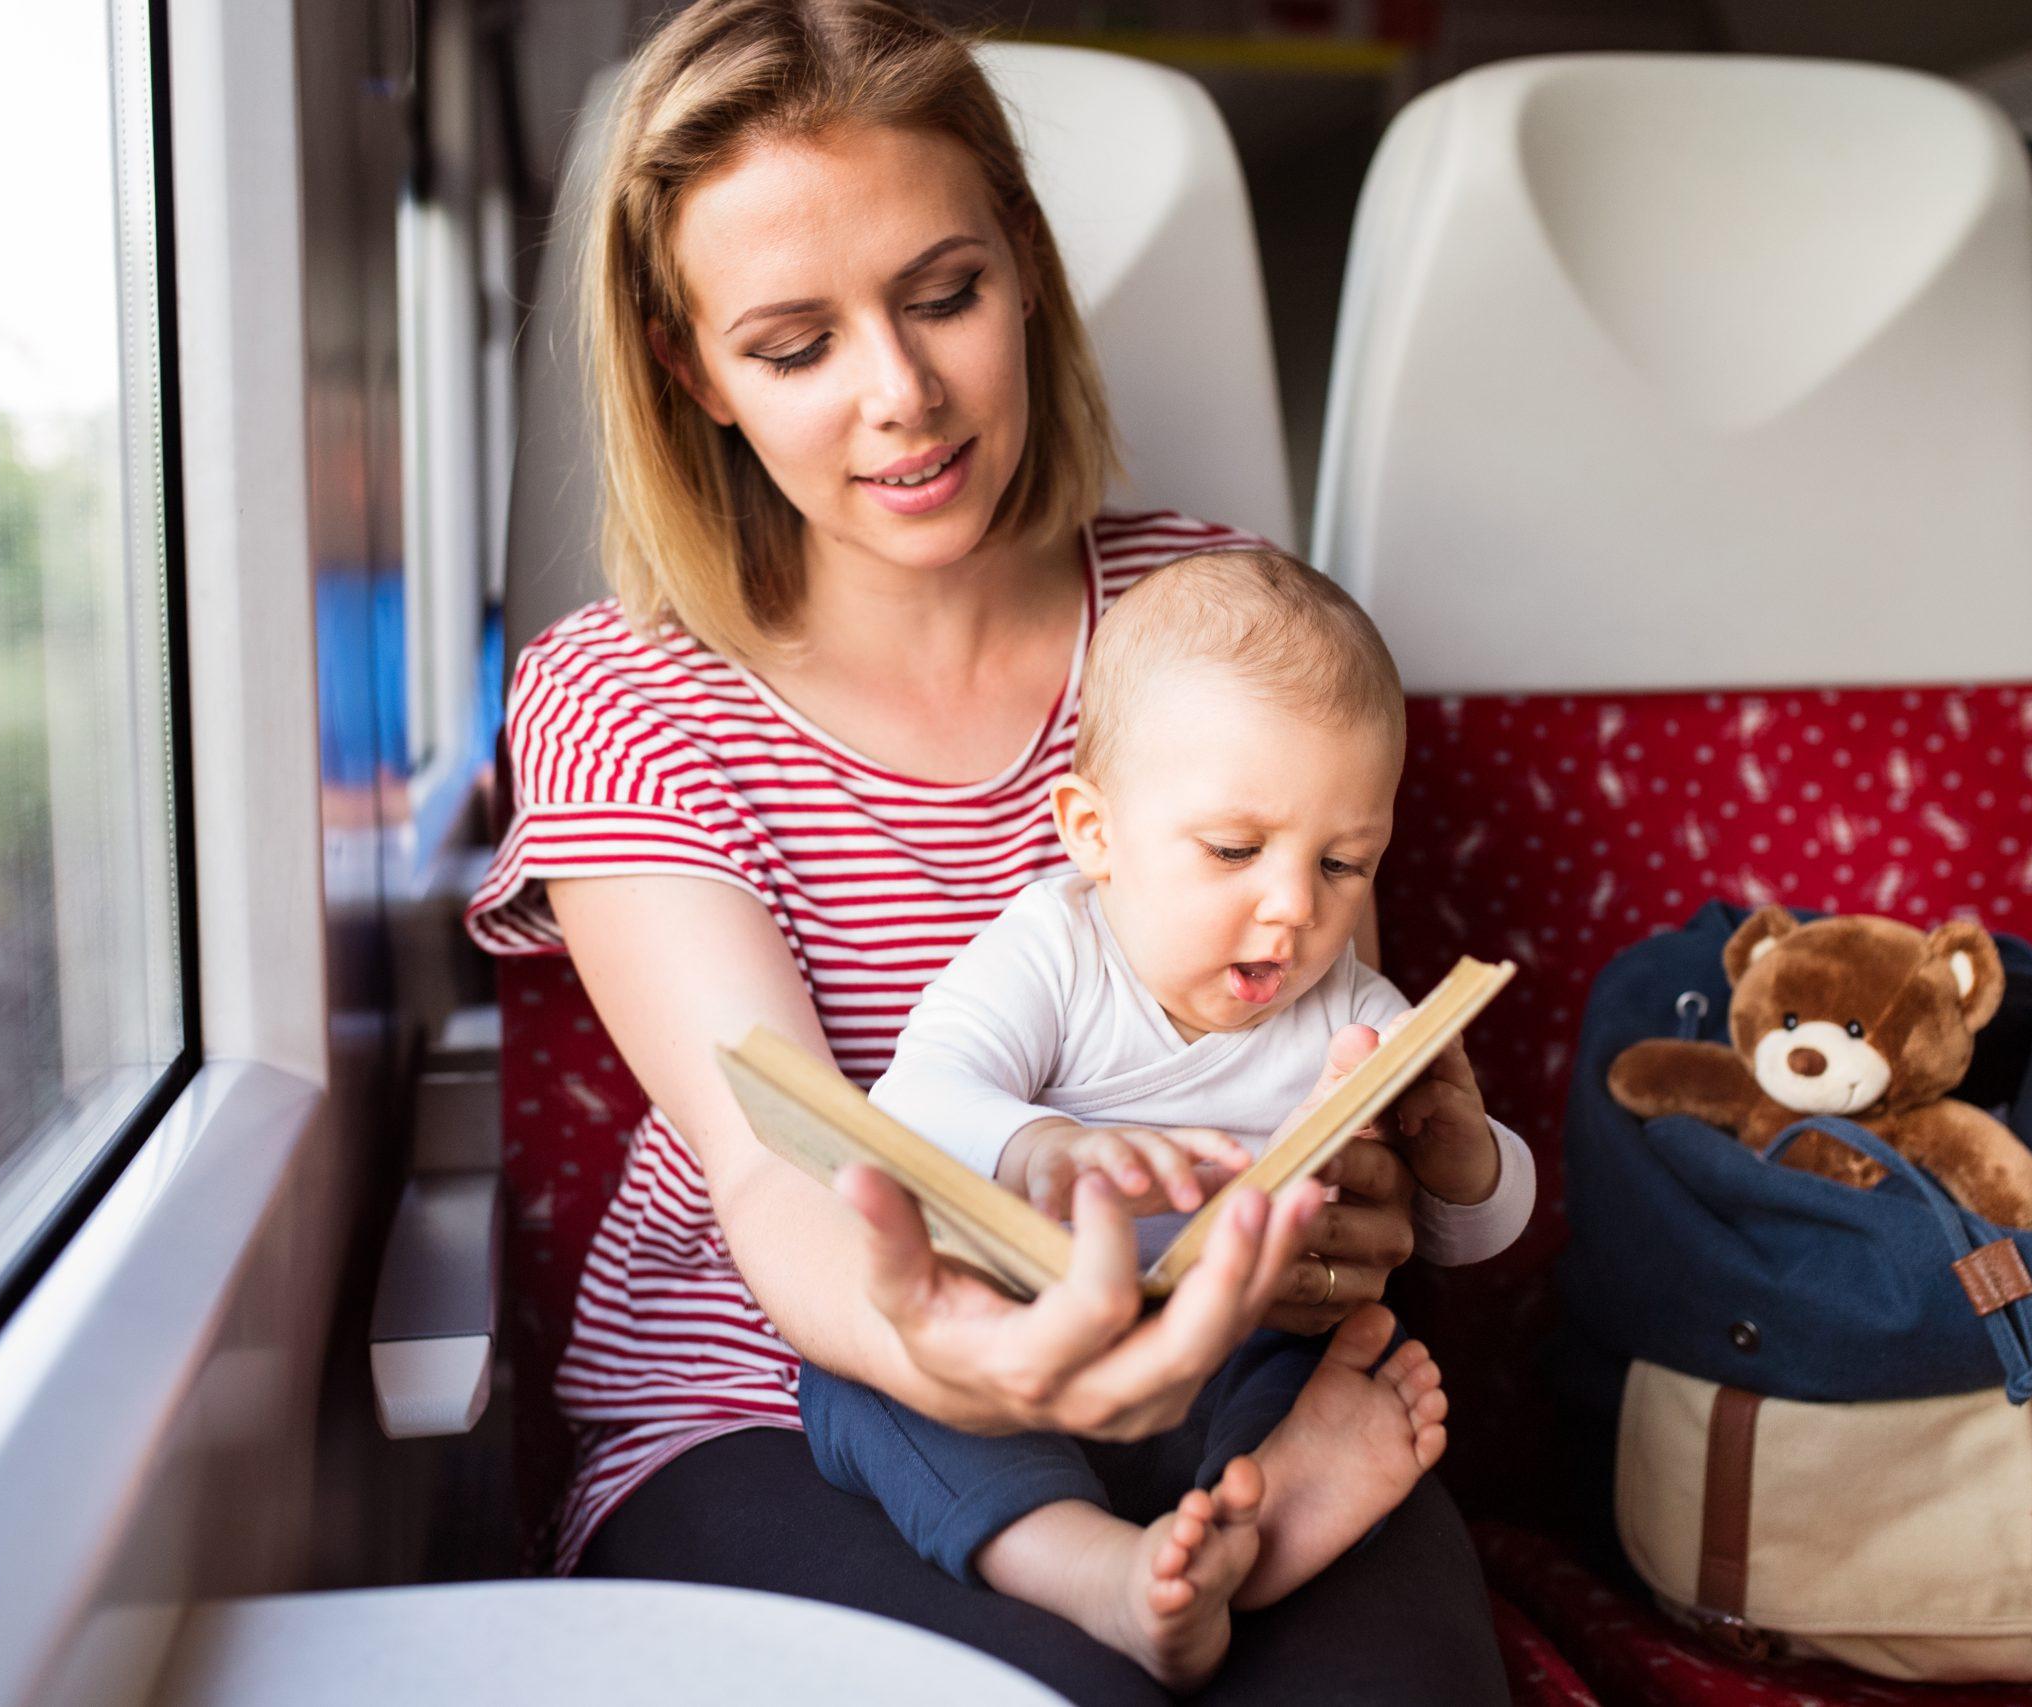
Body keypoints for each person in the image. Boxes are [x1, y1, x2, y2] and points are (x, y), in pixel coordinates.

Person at [463, 3, 1515, 1698]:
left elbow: (1306, 1012)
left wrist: (1359, 1202)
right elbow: (773, 1164)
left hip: (1221, 1368)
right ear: (692, 371)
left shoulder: (1223, 625)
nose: (903, 395)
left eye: (944, 294)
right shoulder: (623, 695)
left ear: (1023, 269)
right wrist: (959, 1354)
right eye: (796, 346)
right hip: (786, 1400)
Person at [798, 548, 1534, 1690]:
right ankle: (1090, 1568)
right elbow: (910, 1107)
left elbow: (1455, 1242)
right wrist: (1045, 1145)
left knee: (1349, 1354)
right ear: (1094, 833)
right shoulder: (1049, 952)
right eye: (1235, 851)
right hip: (1023, 1358)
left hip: (1233, 1352)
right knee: (861, 1385)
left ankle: (1274, 1516)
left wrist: (1462, 1157)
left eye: (1344, 863)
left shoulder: (1353, 1007)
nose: (1292, 908)